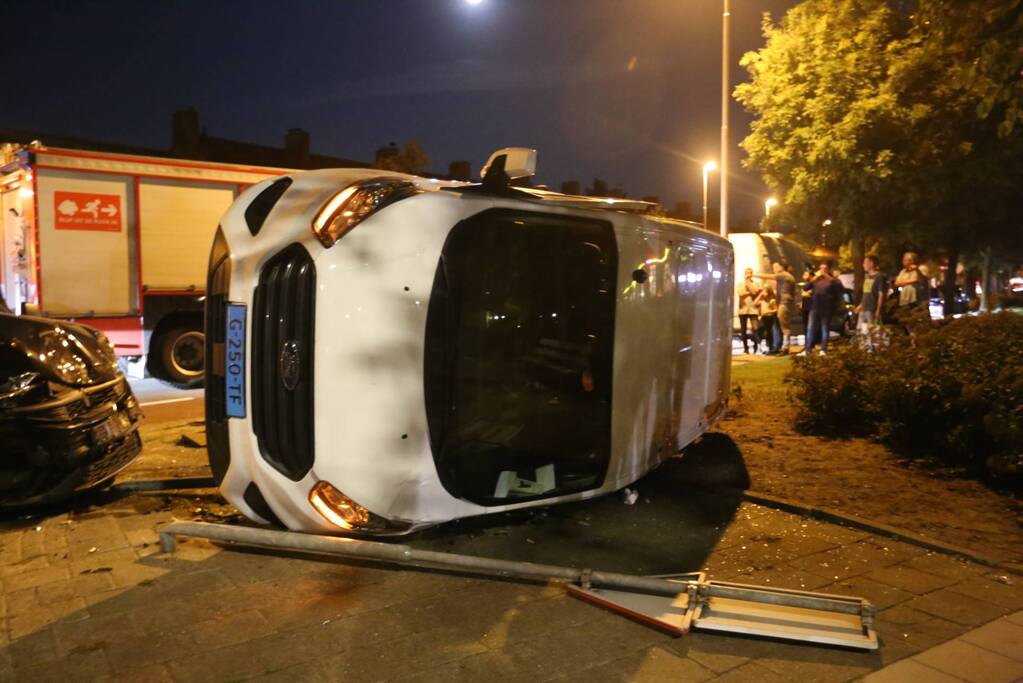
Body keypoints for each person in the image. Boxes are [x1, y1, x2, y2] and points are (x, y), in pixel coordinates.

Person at [802, 262, 844, 355]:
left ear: (828, 269)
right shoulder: (816, 280)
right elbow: (805, 288)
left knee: (824, 328)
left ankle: (823, 349)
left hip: (826, 308)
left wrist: (827, 276)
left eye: (824, 268)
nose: (822, 270)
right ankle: (808, 349)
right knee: (810, 328)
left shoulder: (832, 280)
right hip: (814, 307)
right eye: (821, 268)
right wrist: (813, 279)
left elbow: (839, 288)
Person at [756, 260, 796, 352]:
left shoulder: (784, 275)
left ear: (782, 267)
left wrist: (753, 275)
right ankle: (782, 346)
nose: (774, 269)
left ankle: (785, 347)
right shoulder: (786, 277)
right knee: (782, 325)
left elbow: (770, 276)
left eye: (776, 267)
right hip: (784, 302)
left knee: (784, 326)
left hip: (784, 303)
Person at [855, 255, 886, 350]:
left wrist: (878, 309)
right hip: (864, 309)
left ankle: (873, 351)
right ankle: (864, 351)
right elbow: (866, 294)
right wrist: (860, 306)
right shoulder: (867, 277)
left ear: (871, 264)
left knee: (873, 332)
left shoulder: (879, 277)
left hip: (872, 309)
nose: (863, 265)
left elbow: (881, 294)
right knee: (861, 331)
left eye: (865, 263)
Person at [736, 267, 761, 354]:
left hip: (753, 309)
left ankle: (756, 347)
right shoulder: (740, 284)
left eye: (750, 273)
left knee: (755, 329)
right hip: (743, 310)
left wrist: (749, 285)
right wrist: (750, 292)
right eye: (747, 273)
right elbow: (740, 294)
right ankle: (745, 349)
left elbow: (755, 292)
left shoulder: (756, 283)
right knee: (743, 330)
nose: (748, 275)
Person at [755, 281, 780, 354]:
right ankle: (769, 347)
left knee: (769, 332)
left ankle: (772, 347)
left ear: (769, 292)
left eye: (765, 291)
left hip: (770, 318)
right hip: (764, 318)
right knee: (765, 333)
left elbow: (776, 309)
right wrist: (760, 295)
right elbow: (755, 303)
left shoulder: (772, 300)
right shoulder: (763, 300)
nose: (763, 292)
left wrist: (768, 311)